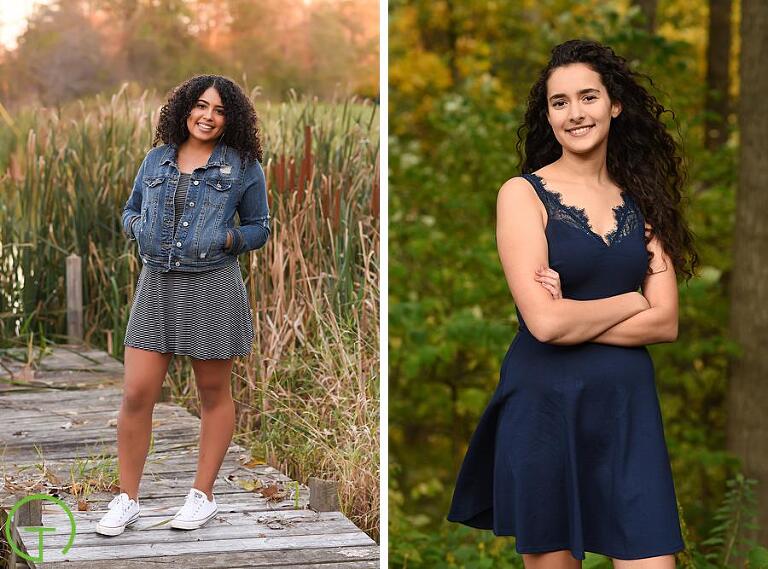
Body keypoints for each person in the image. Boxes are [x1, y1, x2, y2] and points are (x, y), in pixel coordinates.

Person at [446, 39, 698, 568]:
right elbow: (544, 323)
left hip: (628, 411)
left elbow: (667, 321)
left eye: (588, 97)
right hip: (544, 407)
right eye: (559, 102)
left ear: (615, 104)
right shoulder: (522, 195)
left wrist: (573, 317)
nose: (575, 113)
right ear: (548, 114)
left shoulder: (645, 199)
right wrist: (633, 299)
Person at [96, 74, 271, 536]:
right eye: (200, 106)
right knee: (137, 393)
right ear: (184, 109)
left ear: (229, 119)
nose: (208, 116)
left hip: (212, 287)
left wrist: (226, 237)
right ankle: (127, 499)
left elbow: (260, 228)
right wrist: (137, 228)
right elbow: (130, 209)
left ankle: (202, 495)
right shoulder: (156, 159)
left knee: (213, 394)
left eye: (218, 110)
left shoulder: (243, 166)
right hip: (156, 286)